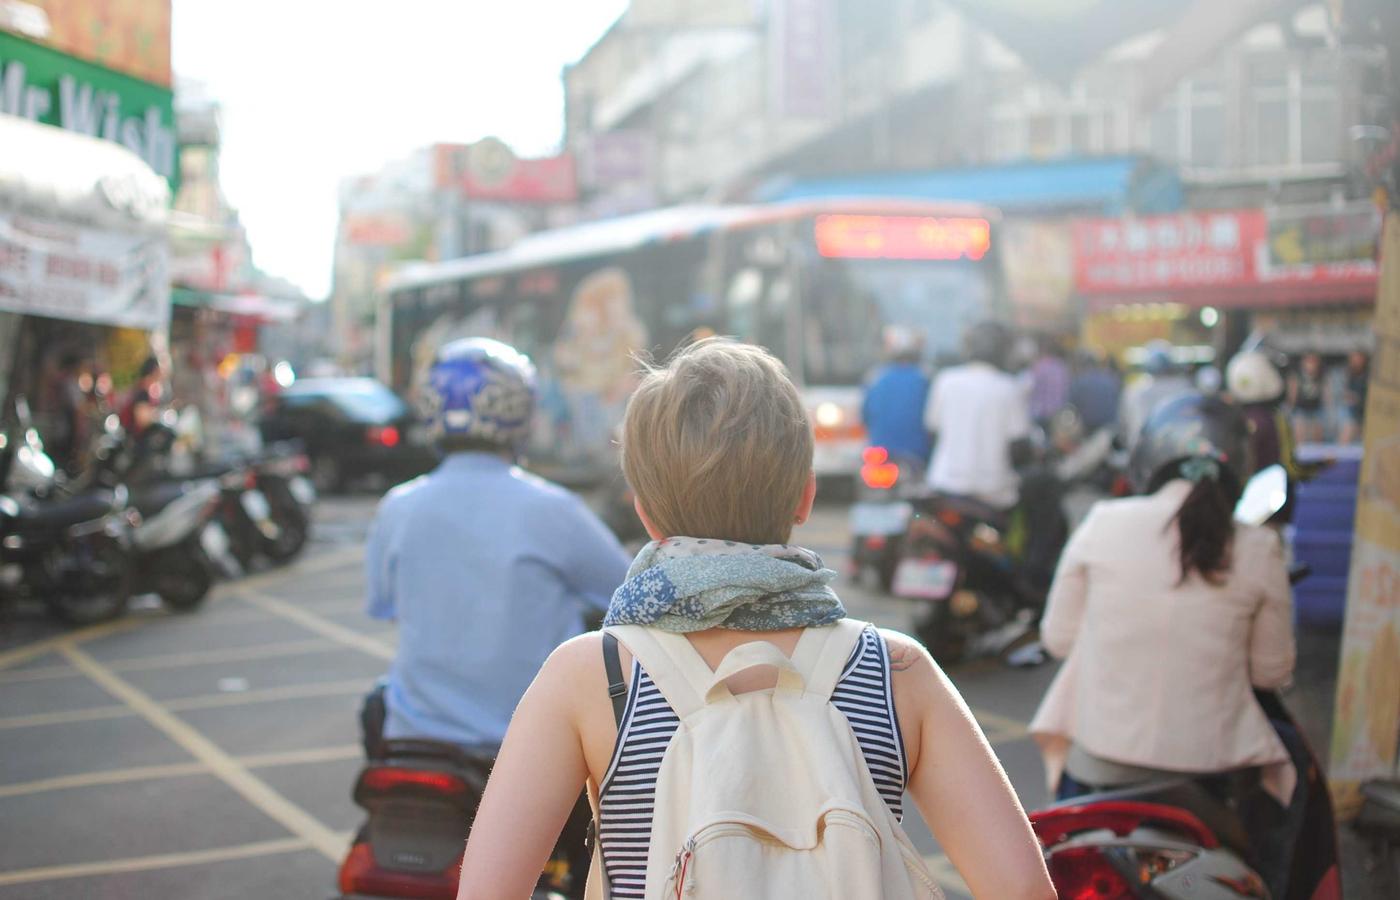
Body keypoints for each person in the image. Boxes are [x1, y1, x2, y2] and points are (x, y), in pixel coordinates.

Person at [456, 338, 1054, 899]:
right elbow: (1023, 889)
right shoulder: (895, 669)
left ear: (644, 512)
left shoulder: (592, 674)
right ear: (805, 498)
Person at [362, 338, 631, 754]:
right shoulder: (552, 508)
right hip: (526, 747)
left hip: (413, 738)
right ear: (520, 413)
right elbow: (627, 593)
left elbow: (384, 606)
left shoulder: (398, 506)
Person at [1030, 392, 1296, 804]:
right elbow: (1270, 672)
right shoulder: (1259, 546)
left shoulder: (1104, 522)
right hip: (1212, 776)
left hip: (1099, 765)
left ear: (1148, 459)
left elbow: (1059, 639)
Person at [923, 321, 1032, 512]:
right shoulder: (1008, 388)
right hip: (993, 493)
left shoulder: (945, 381)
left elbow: (932, 432)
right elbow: (1019, 447)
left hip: (944, 485)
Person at [860, 326, 931, 473]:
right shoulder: (925, 378)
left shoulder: (874, 377)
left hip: (878, 453)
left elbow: (864, 417)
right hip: (917, 454)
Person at [1117, 340, 1193, 450]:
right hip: (1171, 450)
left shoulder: (1134, 390)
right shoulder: (1183, 386)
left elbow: (1123, 427)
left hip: (1147, 450)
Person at [1067, 349, 1121, 433]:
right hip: (1109, 429)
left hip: (1087, 429)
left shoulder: (1079, 381)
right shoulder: (1110, 380)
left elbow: (1070, 406)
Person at [119, 355, 166, 441]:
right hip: (139, 439)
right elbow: (141, 418)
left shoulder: (148, 388)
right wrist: (156, 416)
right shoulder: (143, 389)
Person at [1027, 334, 1071, 425]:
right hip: (1058, 414)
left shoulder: (1038, 366)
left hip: (1040, 413)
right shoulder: (1061, 367)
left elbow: (1030, 388)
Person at [1288, 352, 1326, 443]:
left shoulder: (1321, 375)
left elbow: (1326, 394)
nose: (1311, 365)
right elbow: (1292, 393)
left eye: (1313, 362)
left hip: (1316, 408)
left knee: (1317, 434)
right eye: (1308, 362)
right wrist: (1291, 408)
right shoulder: (1297, 375)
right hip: (1301, 408)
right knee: (1300, 433)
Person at [1339, 349, 1370, 445]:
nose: (1356, 362)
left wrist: (1358, 399)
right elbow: (1343, 394)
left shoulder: (1368, 376)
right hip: (1352, 412)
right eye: (1354, 359)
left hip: (1365, 412)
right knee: (1347, 424)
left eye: (1358, 359)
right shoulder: (1348, 374)